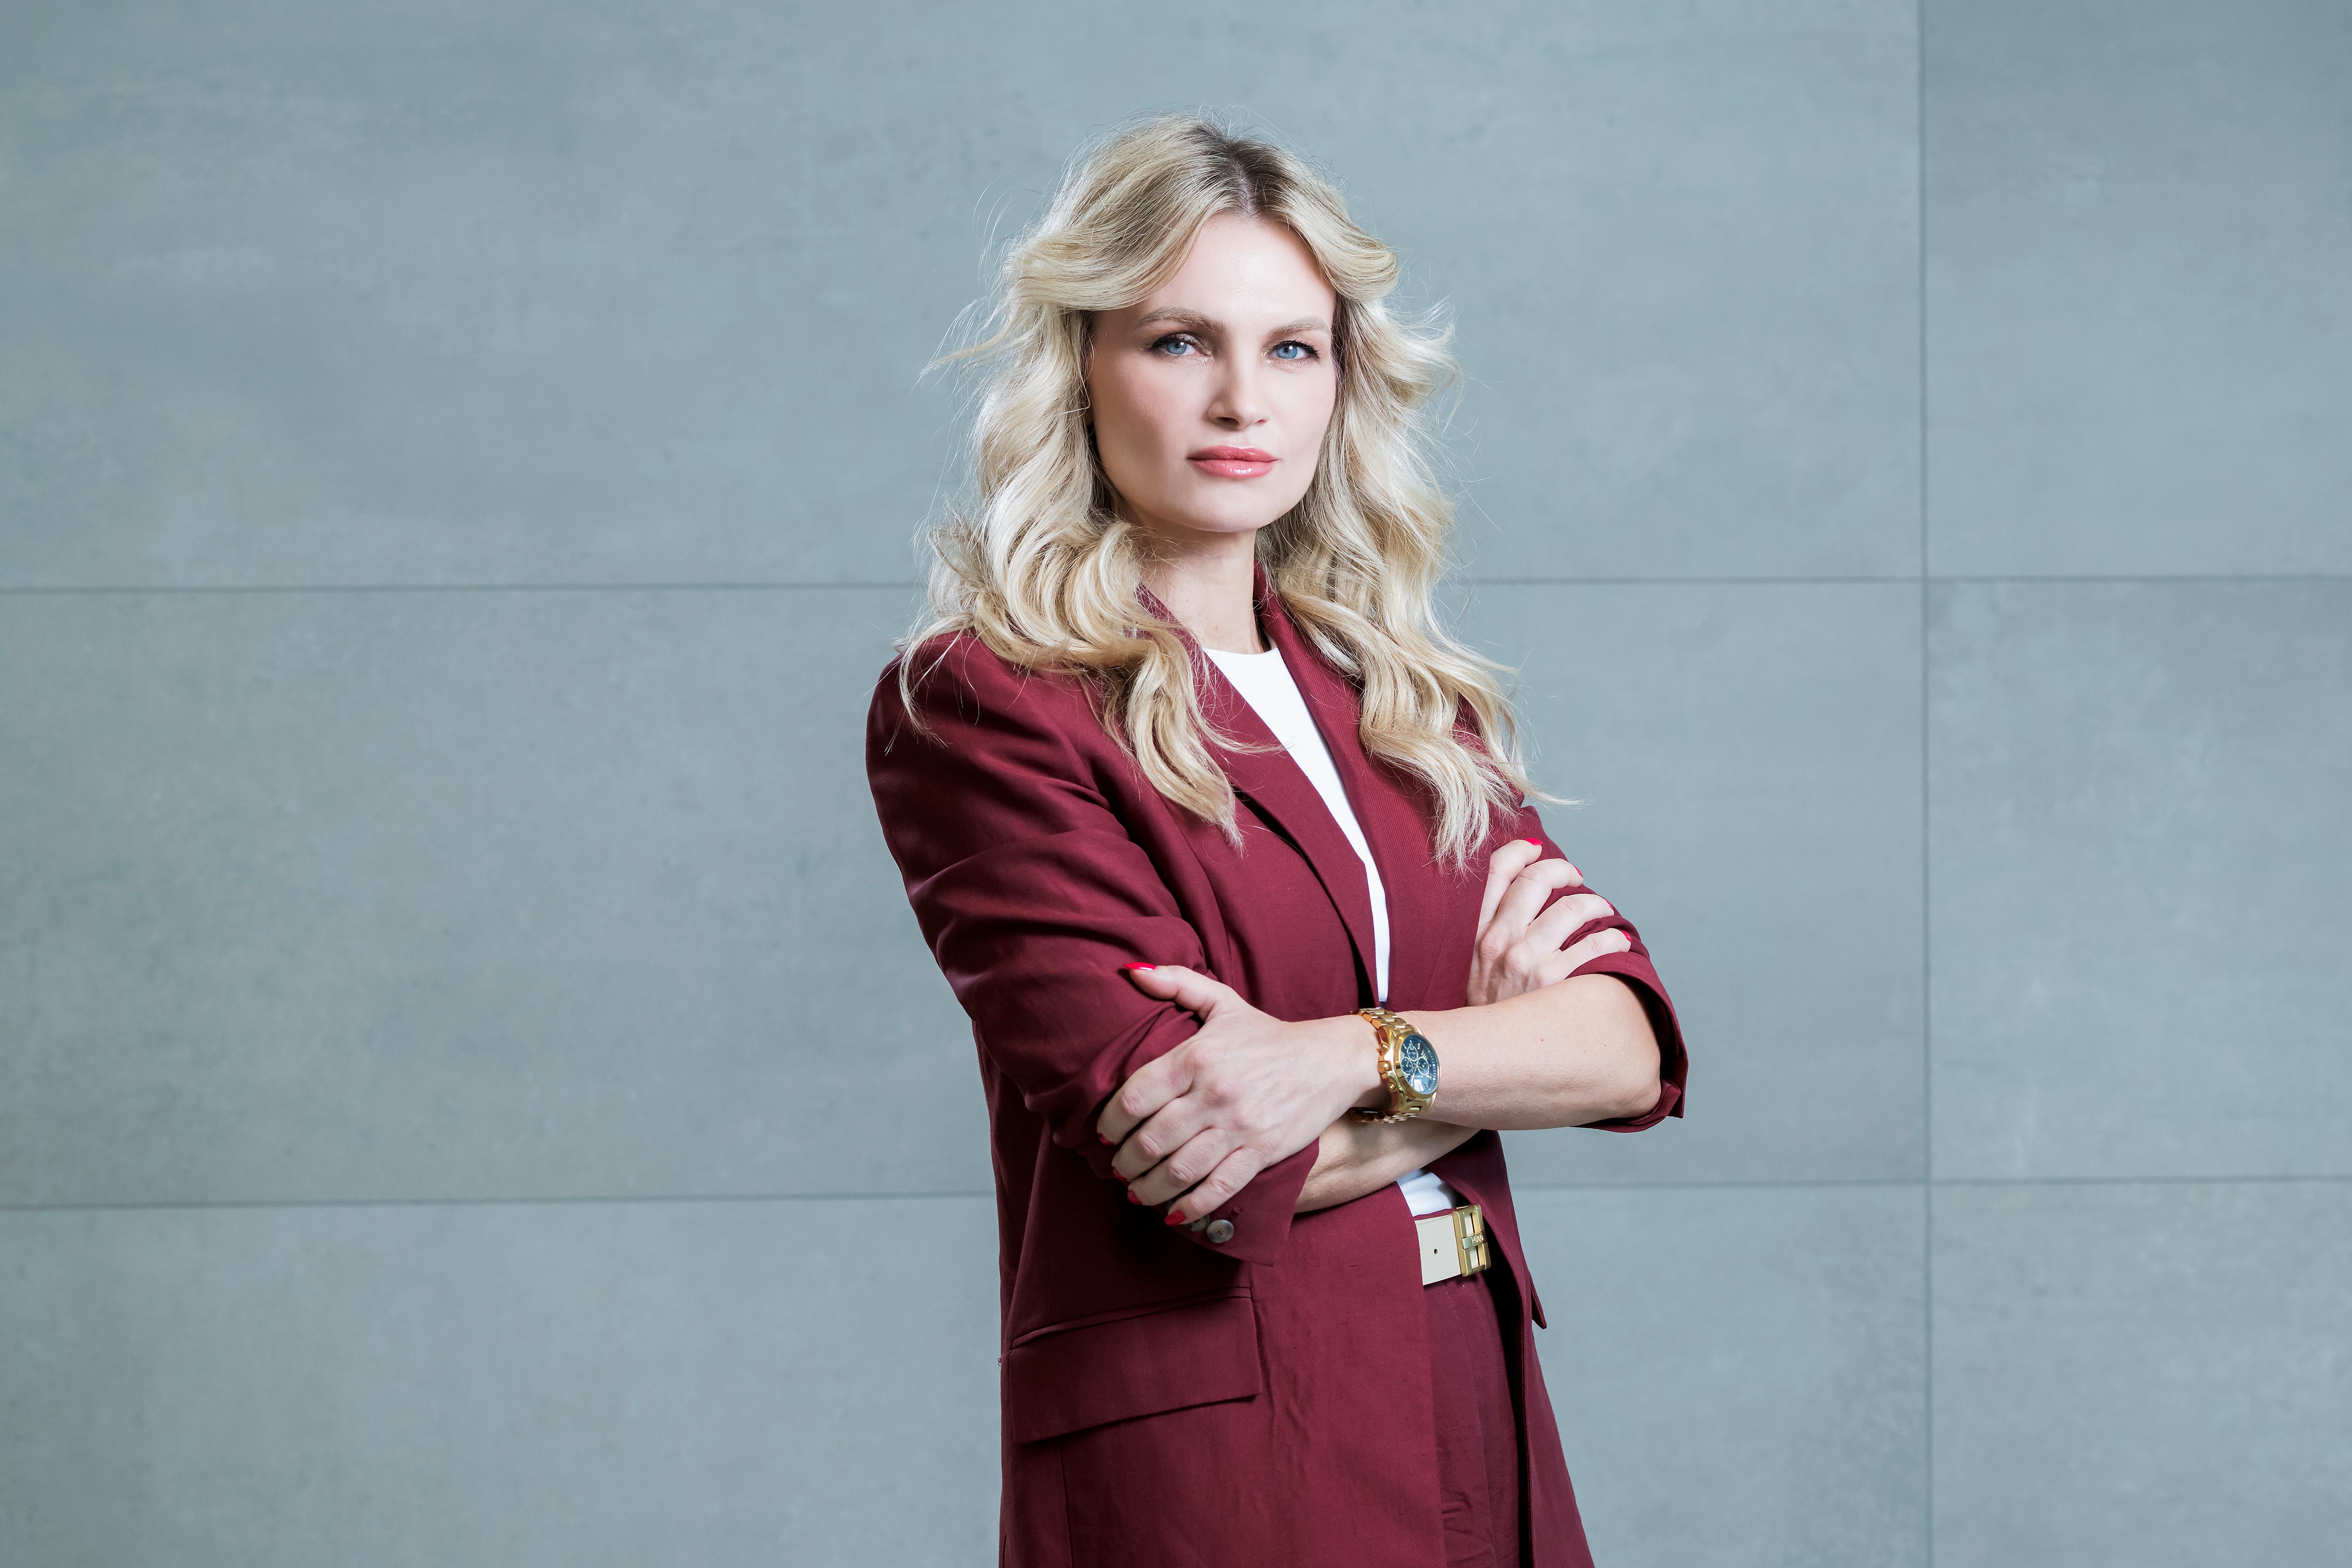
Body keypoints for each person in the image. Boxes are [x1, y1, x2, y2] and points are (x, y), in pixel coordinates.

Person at [864, 113, 1688, 1568]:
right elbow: (1200, 1159)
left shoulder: (1399, 695)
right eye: (1181, 341)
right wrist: (1485, 1058)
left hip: (1475, 1397)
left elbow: (1625, 1048)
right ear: (1083, 363)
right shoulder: (990, 705)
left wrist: (1347, 1057)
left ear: (1340, 381)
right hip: (1226, 1459)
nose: (1243, 399)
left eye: (1293, 348)